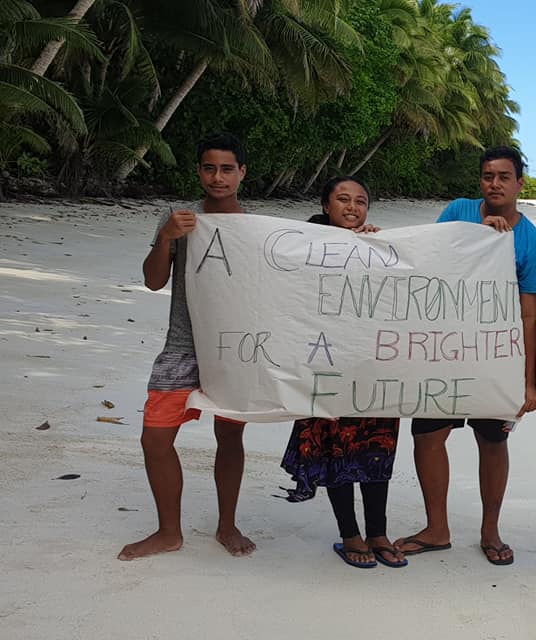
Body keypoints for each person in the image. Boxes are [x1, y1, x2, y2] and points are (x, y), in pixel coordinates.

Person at [395, 146, 536, 566]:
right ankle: (436, 528)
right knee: (427, 437)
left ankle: (490, 531)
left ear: (520, 182)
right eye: (487, 176)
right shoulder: (458, 211)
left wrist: (527, 380)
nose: (494, 183)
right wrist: (479, 236)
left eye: (503, 176)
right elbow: (429, 264)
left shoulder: (533, 243)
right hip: (443, 351)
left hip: (495, 357)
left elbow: (529, 311)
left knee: (493, 441)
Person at [119, 133, 255, 560]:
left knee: (229, 438)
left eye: (227, 169)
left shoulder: (258, 231)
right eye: (209, 168)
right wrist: (164, 238)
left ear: (242, 174)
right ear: (199, 171)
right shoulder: (178, 219)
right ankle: (168, 532)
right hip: (181, 347)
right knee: (155, 440)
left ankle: (227, 525)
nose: (217, 177)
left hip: (234, 349)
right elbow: (154, 281)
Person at [279, 176, 405, 569]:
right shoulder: (304, 246)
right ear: (326, 205)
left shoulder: (376, 247)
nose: (352, 208)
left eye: (361, 201)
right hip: (325, 367)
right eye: (343, 200)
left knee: (377, 446)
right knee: (338, 449)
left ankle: (378, 531)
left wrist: (377, 249)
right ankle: (350, 532)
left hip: (371, 366)